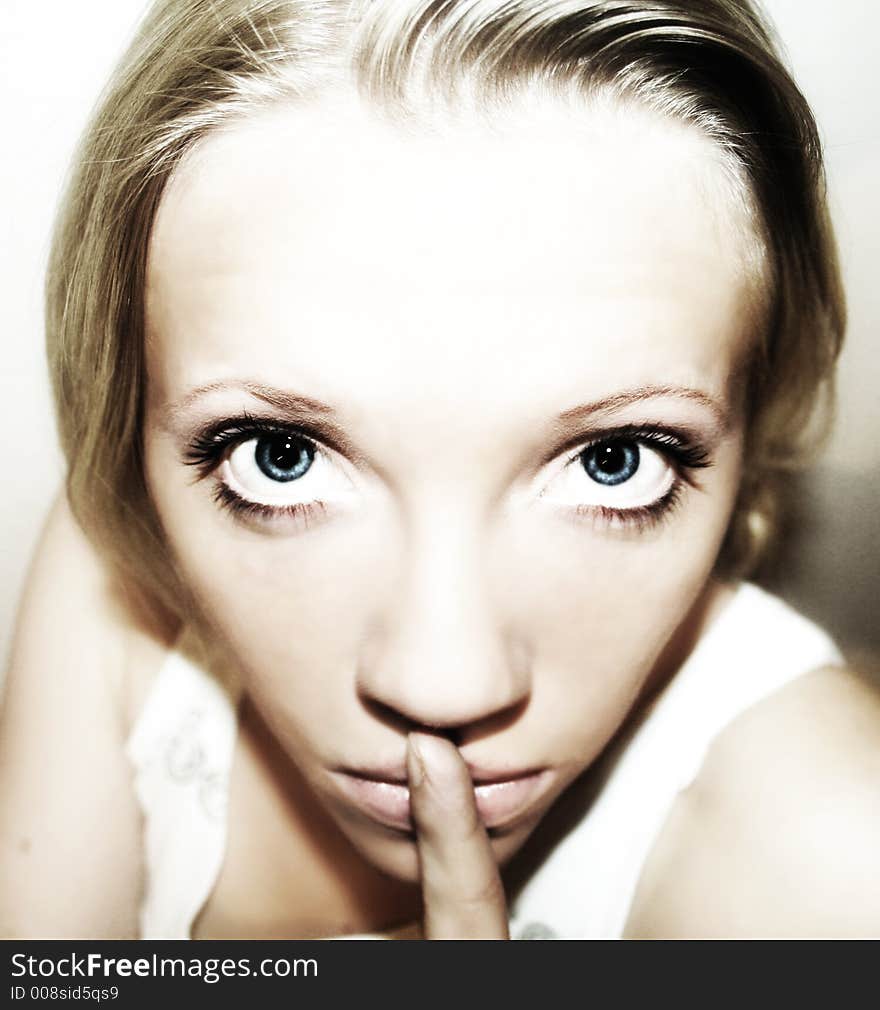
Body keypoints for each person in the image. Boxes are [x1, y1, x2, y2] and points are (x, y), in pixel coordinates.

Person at [1, 0, 879, 940]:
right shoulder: (116, 562)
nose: (443, 682)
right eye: (281, 458)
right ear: (133, 428)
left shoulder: (831, 864)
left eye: (612, 462)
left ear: (752, 425)